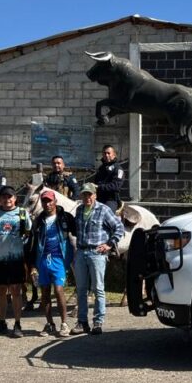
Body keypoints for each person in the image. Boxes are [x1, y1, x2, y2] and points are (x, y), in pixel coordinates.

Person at [73, 182, 125, 335]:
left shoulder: (104, 209)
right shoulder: (79, 210)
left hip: (97, 253)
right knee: (81, 289)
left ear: (95, 195)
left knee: (98, 289)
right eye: (84, 194)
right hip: (81, 252)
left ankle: (98, 322)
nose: (87, 197)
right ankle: (82, 322)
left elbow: (119, 227)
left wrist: (109, 244)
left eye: (90, 194)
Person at [0, 186, 31, 338]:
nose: (7, 199)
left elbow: (29, 232)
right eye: (4, 197)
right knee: (1, 291)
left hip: (16, 258)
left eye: (10, 196)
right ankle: (2, 323)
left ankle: (17, 324)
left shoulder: (22, 213)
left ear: (15, 198)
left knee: (16, 291)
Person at [30, 189, 77, 337]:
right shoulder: (38, 220)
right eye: (44, 201)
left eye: (49, 201)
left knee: (58, 290)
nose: (47, 204)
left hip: (59, 259)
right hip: (43, 259)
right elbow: (33, 243)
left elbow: (78, 233)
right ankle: (50, 324)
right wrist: (33, 265)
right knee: (45, 293)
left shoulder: (66, 217)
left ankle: (64, 323)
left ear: (55, 201)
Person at [91, 144, 125, 212]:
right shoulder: (101, 168)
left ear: (114, 154)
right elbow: (96, 183)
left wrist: (99, 187)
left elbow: (116, 186)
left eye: (108, 153)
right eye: (104, 153)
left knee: (105, 212)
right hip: (98, 198)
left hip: (111, 200)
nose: (106, 155)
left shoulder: (118, 169)